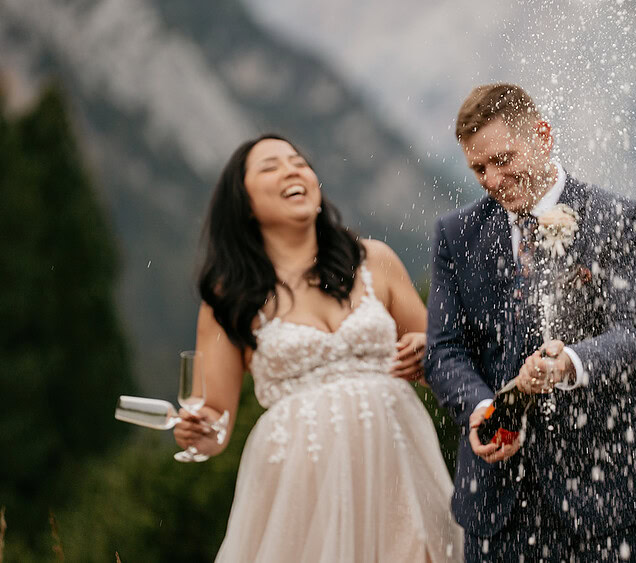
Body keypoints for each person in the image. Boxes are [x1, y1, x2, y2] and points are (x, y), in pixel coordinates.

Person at [424, 84, 636, 561]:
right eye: (479, 168)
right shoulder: (456, 235)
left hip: (609, 488)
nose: (492, 179)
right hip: (500, 504)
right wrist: (486, 409)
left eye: (503, 159)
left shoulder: (621, 219)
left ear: (543, 136)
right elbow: (444, 351)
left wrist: (569, 361)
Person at [174, 134, 462, 561]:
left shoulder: (374, 261)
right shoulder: (228, 296)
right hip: (299, 492)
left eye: (298, 161)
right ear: (245, 204)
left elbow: (449, 361)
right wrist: (197, 432)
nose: (292, 169)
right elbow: (215, 422)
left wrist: (428, 351)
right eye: (271, 166)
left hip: (397, 473)